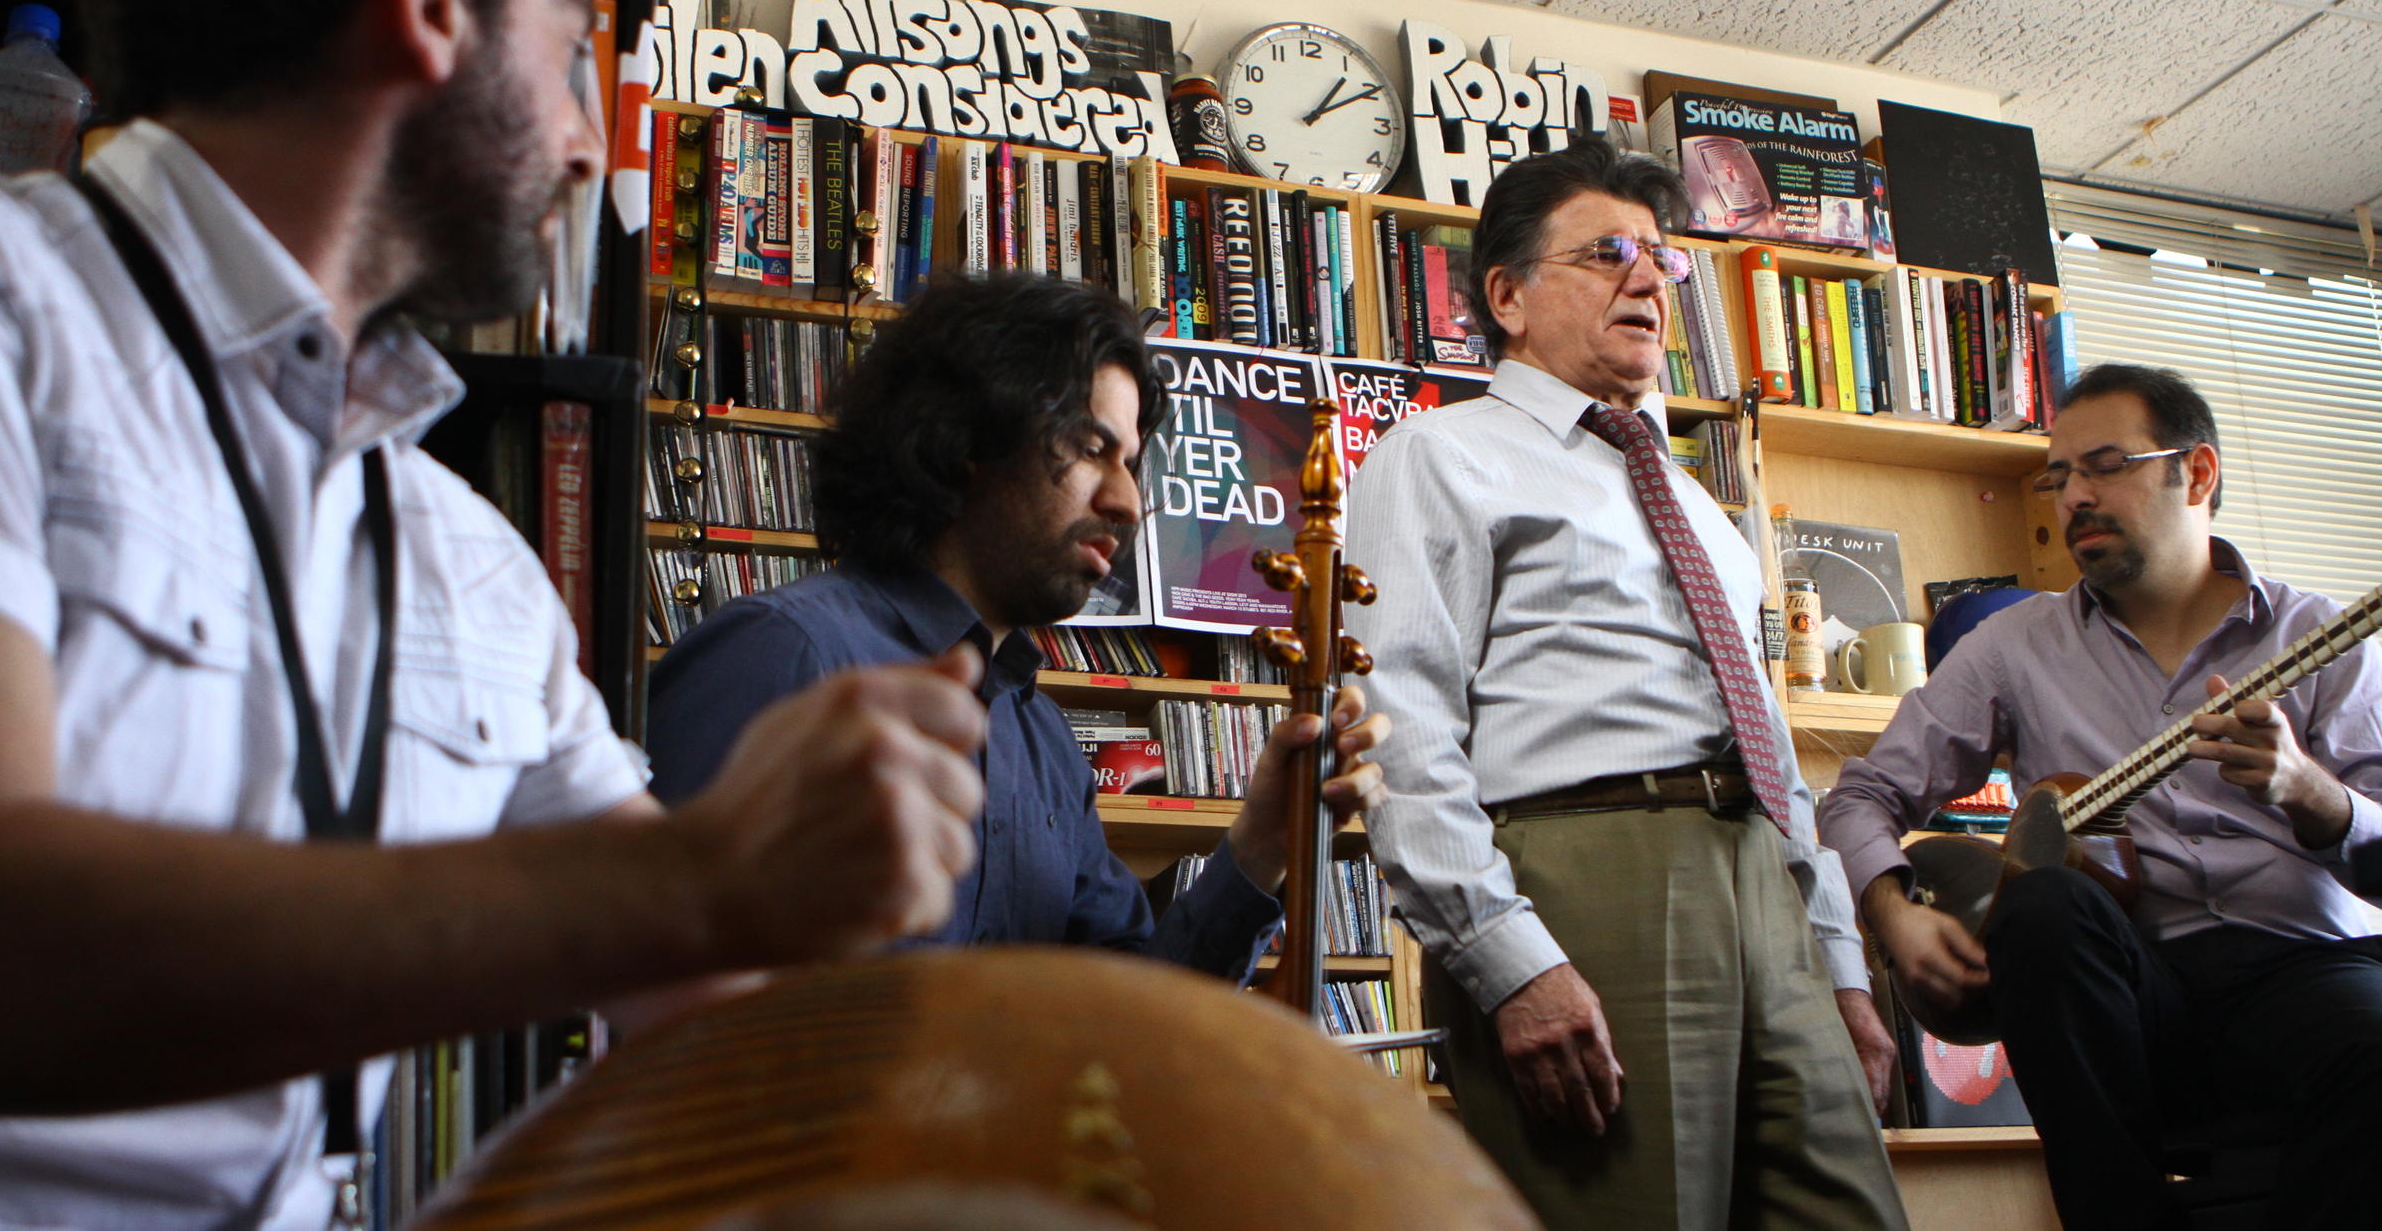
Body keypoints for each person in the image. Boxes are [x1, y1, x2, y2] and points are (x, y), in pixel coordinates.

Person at [0, 0, 989, 1226]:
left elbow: (708, 1016)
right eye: (576, 50)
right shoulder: (5, 319)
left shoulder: (469, 561)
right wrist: (704, 880)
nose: (587, 148)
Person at [1344, 140, 1905, 1230]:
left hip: (1762, 879)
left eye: (1660, 258)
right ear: (1508, 294)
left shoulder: (1699, 503)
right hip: (1582, 874)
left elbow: (1773, 746)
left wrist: (1837, 954)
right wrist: (1508, 963)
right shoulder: (1439, 455)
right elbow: (1395, 722)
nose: (1650, 278)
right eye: (1608, 253)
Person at [645, 273, 1389, 981]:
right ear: (969, 440)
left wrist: (1262, 843)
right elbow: (651, 975)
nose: (1129, 501)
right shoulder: (781, 654)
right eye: (1093, 449)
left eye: (1130, 461)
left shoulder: (1045, 743)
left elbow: (1123, 1025)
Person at [1821, 363, 2382, 1230]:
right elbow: (1862, 793)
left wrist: (2310, 792)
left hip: (2306, 973)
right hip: (2124, 989)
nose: (2073, 495)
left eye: (2106, 465)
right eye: (2058, 476)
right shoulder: (2014, 647)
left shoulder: (2321, 637)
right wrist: (1891, 914)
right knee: (2044, 906)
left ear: (2195, 473)